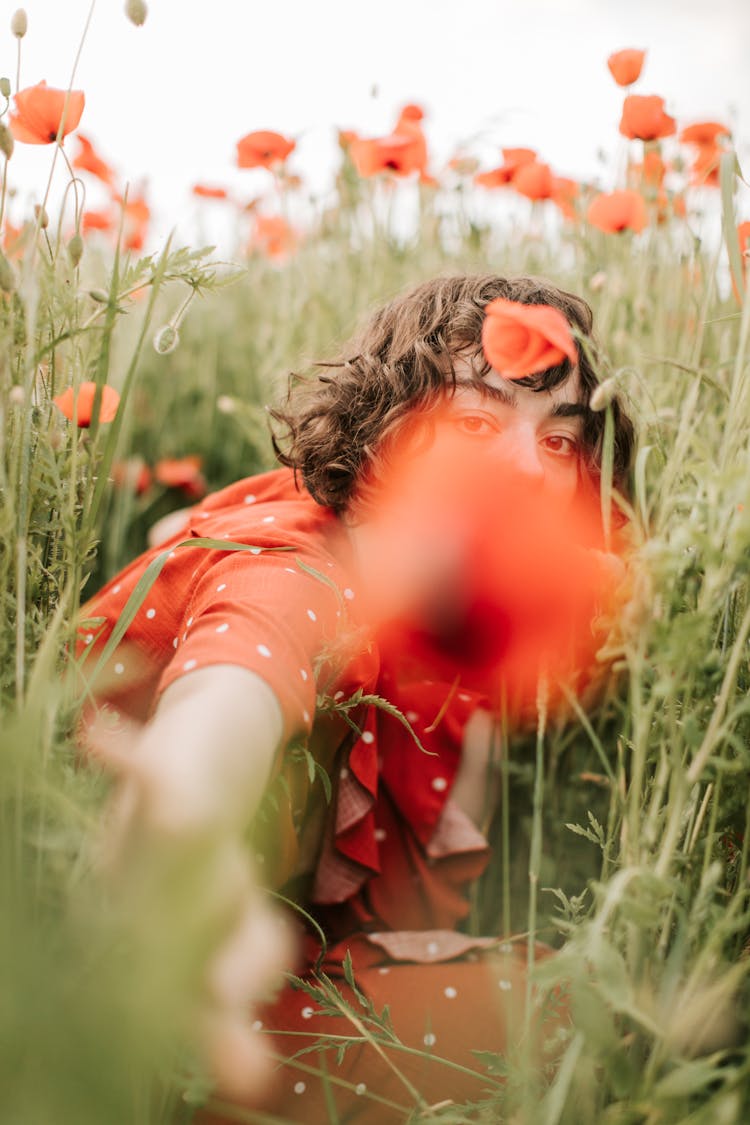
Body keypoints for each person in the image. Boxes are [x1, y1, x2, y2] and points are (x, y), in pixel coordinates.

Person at [78, 273, 635, 1122]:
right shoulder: (296, 576)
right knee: (571, 1014)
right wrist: (181, 827)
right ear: (385, 439)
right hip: (133, 1018)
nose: (527, 471)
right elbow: (226, 696)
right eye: (476, 424)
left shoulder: (451, 616)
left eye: (560, 442)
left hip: (273, 975)